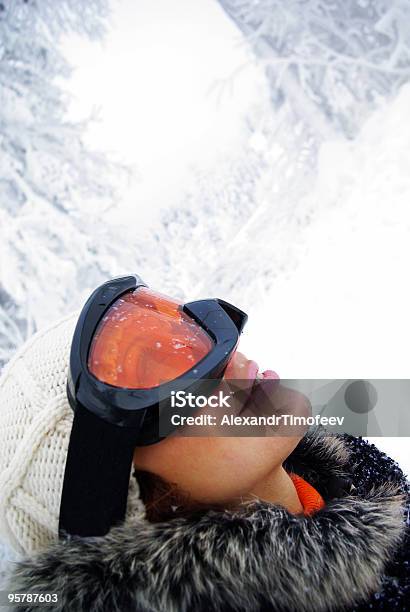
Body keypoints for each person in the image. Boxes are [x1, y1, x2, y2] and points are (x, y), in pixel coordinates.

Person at [0, 312, 409, 611]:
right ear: (126, 507)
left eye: (186, 332)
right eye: (158, 375)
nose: (228, 355)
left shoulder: (355, 478)